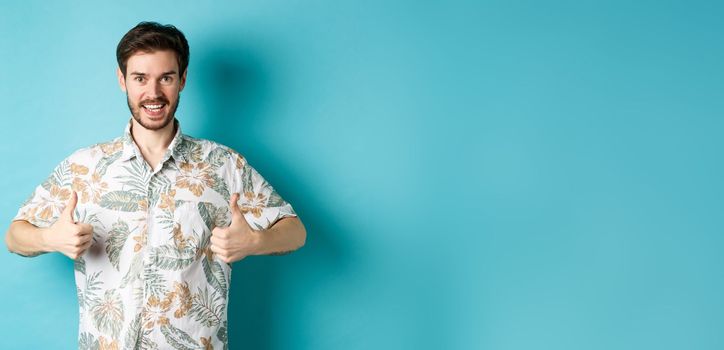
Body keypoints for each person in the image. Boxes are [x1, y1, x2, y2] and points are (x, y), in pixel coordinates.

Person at [4, 21, 306, 349]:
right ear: (122, 81)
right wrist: (49, 237)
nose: (154, 93)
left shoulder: (223, 164)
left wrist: (254, 242)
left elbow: (296, 231)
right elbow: (14, 236)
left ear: (183, 80)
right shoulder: (84, 166)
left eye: (166, 78)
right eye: (140, 78)